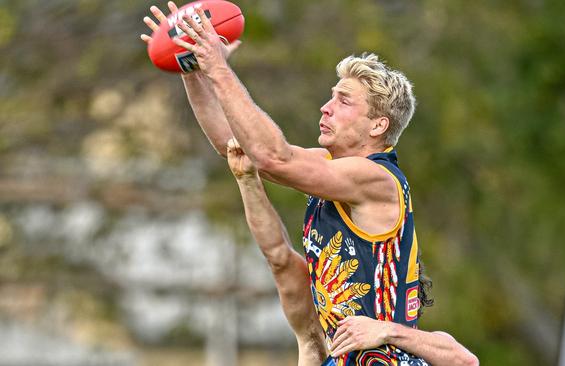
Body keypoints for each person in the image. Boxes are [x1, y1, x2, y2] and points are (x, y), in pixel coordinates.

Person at [141, 3, 478, 365]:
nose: (325, 107)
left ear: (377, 126)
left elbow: (274, 157)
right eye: (331, 96)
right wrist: (191, 66)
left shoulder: (378, 178)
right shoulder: (331, 168)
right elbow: (235, 144)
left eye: (343, 101)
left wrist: (219, 69)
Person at [226, 138, 478, 366]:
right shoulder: (320, 346)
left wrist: (386, 331)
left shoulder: (417, 347)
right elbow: (278, 255)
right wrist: (247, 181)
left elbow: (466, 361)